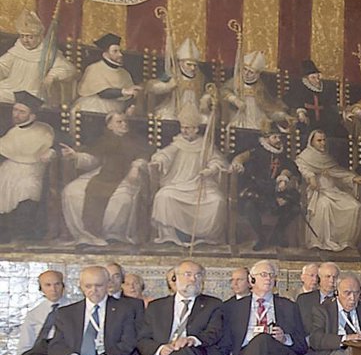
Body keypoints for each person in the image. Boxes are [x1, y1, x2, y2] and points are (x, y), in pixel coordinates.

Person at [60, 111, 149, 246]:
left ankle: (114, 235)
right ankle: (85, 235)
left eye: (125, 121)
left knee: (122, 198)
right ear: (109, 126)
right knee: (71, 191)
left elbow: (144, 156)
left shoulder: (136, 141)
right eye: (119, 122)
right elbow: (92, 159)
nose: (124, 124)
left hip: (127, 175)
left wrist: (136, 167)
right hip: (102, 173)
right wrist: (76, 156)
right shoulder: (103, 141)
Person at [149, 121, 229, 245]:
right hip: (178, 184)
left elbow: (217, 161)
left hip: (202, 185)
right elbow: (165, 155)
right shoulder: (177, 144)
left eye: (187, 128)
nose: (184, 131)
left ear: (195, 129)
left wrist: (210, 170)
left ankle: (205, 236)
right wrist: (159, 161)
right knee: (163, 197)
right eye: (182, 128)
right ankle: (174, 235)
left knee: (217, 201)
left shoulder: (205, 145)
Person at [294, 130, 361, 252]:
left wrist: (353, 178)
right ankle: (318, 242)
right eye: (319, 140)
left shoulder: (327, 158)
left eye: (324, 140)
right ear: (311, 142)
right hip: (316, 193)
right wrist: (311, 176)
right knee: (324, 205)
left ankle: (345, 241)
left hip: (333, 191)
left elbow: (338, 173)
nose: (322, 143)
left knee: (355, 206)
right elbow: (301, 169)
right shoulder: (305, 157)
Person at [232, 127, 300, 250]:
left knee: (294, 207)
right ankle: (261, 237)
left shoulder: (281, 154)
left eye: (279, 137)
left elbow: (290, 167)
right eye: (275, 137)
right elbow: (240, 157)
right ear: (266, 139)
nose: (278, 140)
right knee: (249, 206)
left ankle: (277, 233)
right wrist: (238, 163)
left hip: (275, 191)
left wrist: (283, 178)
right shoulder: (256, 151)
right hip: (258, 190)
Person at [0, 91, 55, 239]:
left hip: (32, 172)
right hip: (8, 170)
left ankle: (22, 234)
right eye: (15, 110)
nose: (16, 115)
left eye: (21, 112)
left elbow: (64, 142)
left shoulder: (45, 130)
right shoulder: (12, 131)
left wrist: (52, 151)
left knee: (26, 189)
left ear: (32, 115)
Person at [0, 10, 78, 104]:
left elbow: (68, 69)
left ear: (39, 37)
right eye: (22, 36)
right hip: (11, 89)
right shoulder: (17, 50)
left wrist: (52, 76)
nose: (25, 40)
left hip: (34, 92)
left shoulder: (48, 53)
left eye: (30, 37)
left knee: (35, 100)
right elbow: (3, 66)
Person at [145, 38, 215, 130]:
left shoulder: (200, 76)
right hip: (174, 110)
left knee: (207, 120)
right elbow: (151, 86)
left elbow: (210, 89)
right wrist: (167, 86)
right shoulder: (172, 73)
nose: (192, 68)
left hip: (195, 111)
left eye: (195, 65)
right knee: (166, 118)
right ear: (181, 63)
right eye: (189, 64)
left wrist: (206, 97)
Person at [221, 51, 289, 135]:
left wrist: (283, 116)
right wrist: (235, 100)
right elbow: (223, 91)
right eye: (245, 69)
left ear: (257, 74)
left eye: (251, 72)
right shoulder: (236, 81)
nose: (246, 73)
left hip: (258, 122)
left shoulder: (260, 87)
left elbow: (268, 108)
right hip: (239, 120)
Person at [73, 33, 140, 115]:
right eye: (115, 51)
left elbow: (130, 97)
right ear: (105, 54)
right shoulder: (94, 68)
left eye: (120, 51)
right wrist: (125, 91)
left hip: (118, 109)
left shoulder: (125, 73)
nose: (120, 54)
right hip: (97, 106)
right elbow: (102, 93)